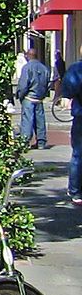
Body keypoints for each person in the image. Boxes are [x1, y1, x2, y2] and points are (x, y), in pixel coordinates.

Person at [15, 44, 52, 150]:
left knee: (27, 120)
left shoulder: (27, 68)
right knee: (40, 120)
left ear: (28, 56)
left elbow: (23, 85)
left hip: (29, 98)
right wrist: (43, 95)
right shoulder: (44, 68)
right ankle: (41, 142)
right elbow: (48, 85)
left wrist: (20, 95)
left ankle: (25, 141)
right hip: (39, 98)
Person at [62, 57, 82, 207]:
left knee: (78, 154)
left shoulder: (76, 69)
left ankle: (75, 190)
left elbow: (68, 89)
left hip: (80, 115)